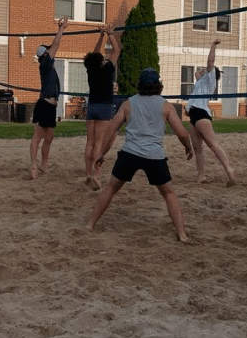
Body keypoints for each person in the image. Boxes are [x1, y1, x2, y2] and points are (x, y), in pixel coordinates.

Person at [87, 68, 194, 242]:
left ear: (140, 85)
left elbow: (111, 130)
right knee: (169, 194)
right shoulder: (165, 105)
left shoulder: (129, 103)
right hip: (154, 156)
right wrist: (188, 147)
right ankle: (181, 234)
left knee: (110, 188)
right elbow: (182, 133)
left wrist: (101, 153)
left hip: (130, 153)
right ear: (158, 85)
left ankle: (90, 224)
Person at [187, 40, 235, 184]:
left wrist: (213, 45)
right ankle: (201, 176)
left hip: (201, 114)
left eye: (205, 70)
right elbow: (196, 73)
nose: (202, 71)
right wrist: (200, 72)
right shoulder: (200, 82)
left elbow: (210, 61)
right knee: (198, 149)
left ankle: (229, 170)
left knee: (212, 144)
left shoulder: (210, 79)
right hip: (193, 116)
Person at [29, 16, 68, 179]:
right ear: (45, 53)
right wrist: (62, 28)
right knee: (38, 137)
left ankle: (44, 164)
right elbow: (56, 44)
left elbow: (54, 46)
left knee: (49, 137)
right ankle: (33, 166)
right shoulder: (46, 62)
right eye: (48, 50)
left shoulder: (46, 64)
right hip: (45, 104)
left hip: (50, 106)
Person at [83, 23, 121, 189]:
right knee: (99, 144)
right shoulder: (107, 69)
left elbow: (95, 54)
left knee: (90, 142)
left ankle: (88, 174)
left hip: (91, 107)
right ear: (101, 61)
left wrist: (100, 36)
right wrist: (110, 34)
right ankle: (97, 176)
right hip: (104, 107)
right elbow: (116, 50)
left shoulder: (91, 70)